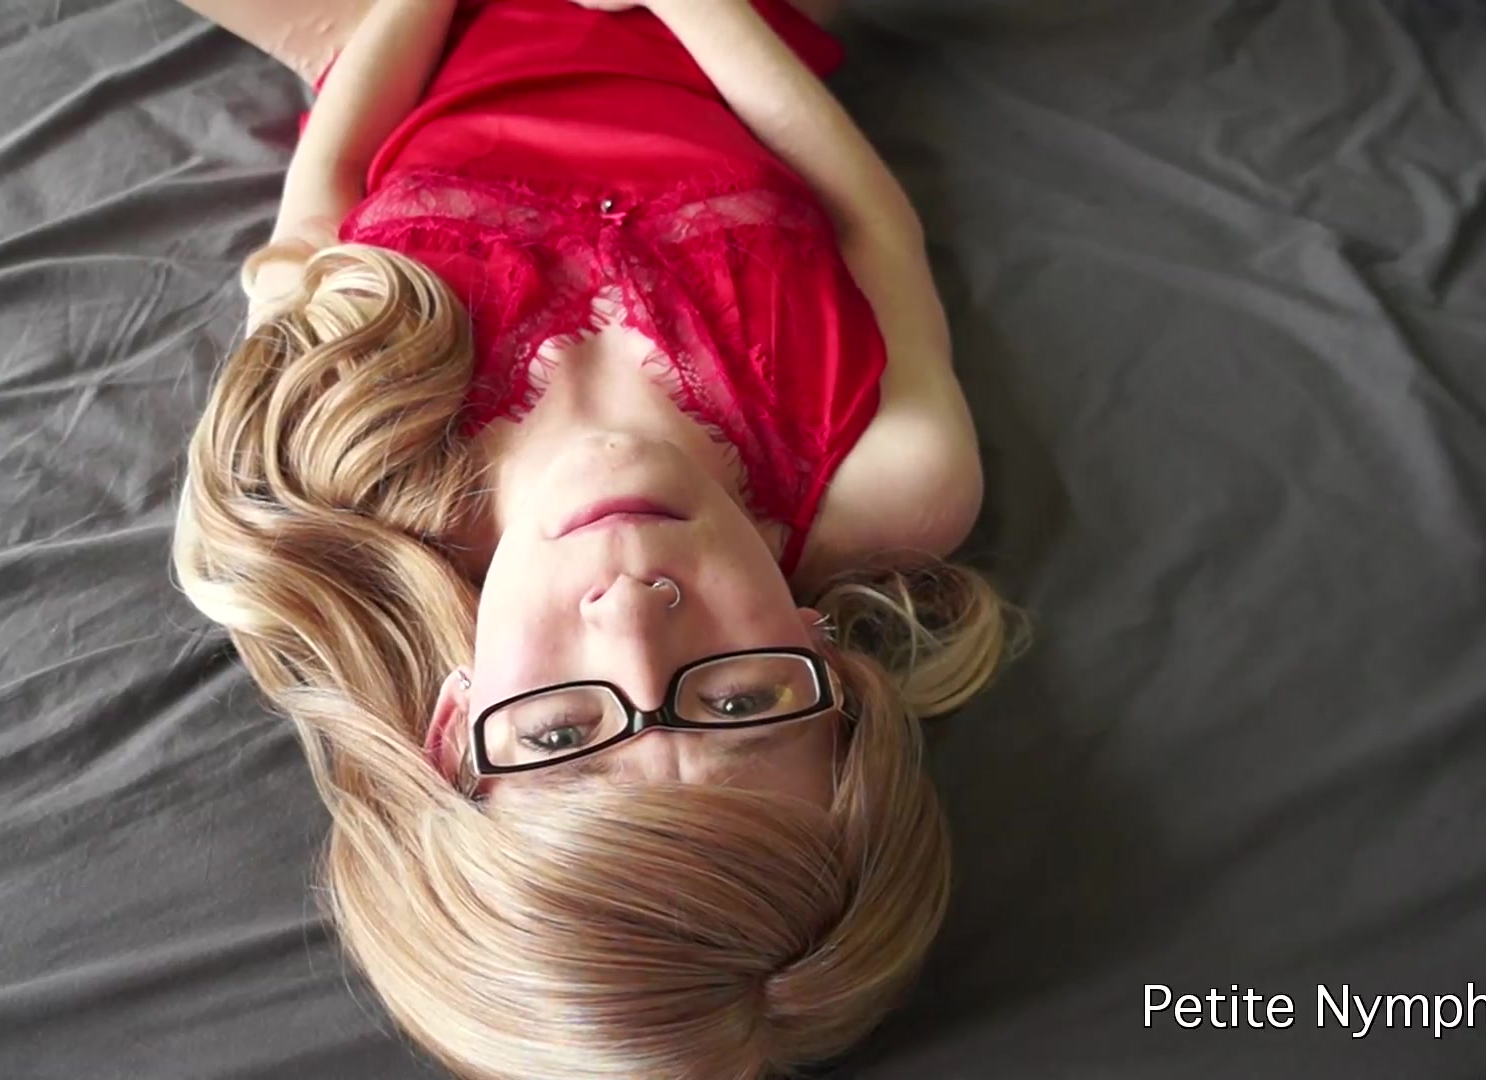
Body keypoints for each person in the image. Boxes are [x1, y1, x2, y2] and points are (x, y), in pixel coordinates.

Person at [171, 0, 1020, 1076]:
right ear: (831, 669)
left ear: (454, 729)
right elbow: (873, 225)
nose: (633, 611)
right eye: (740, 704)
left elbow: (313, 216)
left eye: (561, 733)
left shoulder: (332, 489)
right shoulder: (899, 483)